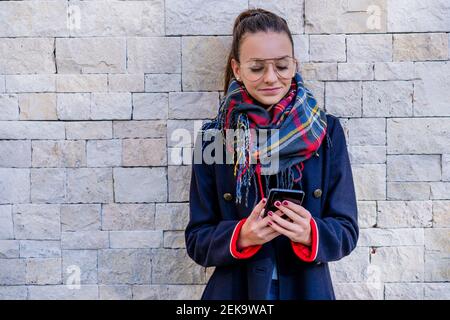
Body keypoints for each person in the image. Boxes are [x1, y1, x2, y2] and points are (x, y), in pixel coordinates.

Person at [185, 8, 358, 300]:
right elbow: (197, 239)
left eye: (281, 66)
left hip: (308, 289)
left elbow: (347, 230)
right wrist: (241, 235)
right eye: (256, 68)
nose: (271, 78)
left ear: (294, 65)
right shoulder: (214, 138)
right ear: (237, 69)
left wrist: (310, 232)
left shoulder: (327, 132)